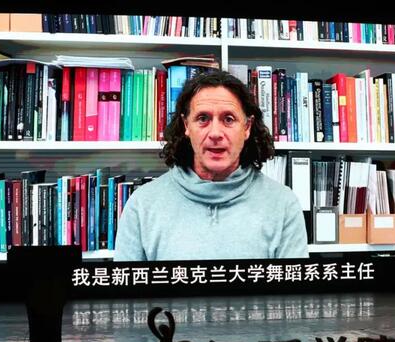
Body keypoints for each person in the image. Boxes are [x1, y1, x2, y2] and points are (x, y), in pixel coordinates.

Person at [114, 70, 308, 261]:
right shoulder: (142, 205)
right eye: (203, 119)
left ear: (247, 127)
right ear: (186, 125)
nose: (215, 133)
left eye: (228, 119)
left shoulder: (283, 205)